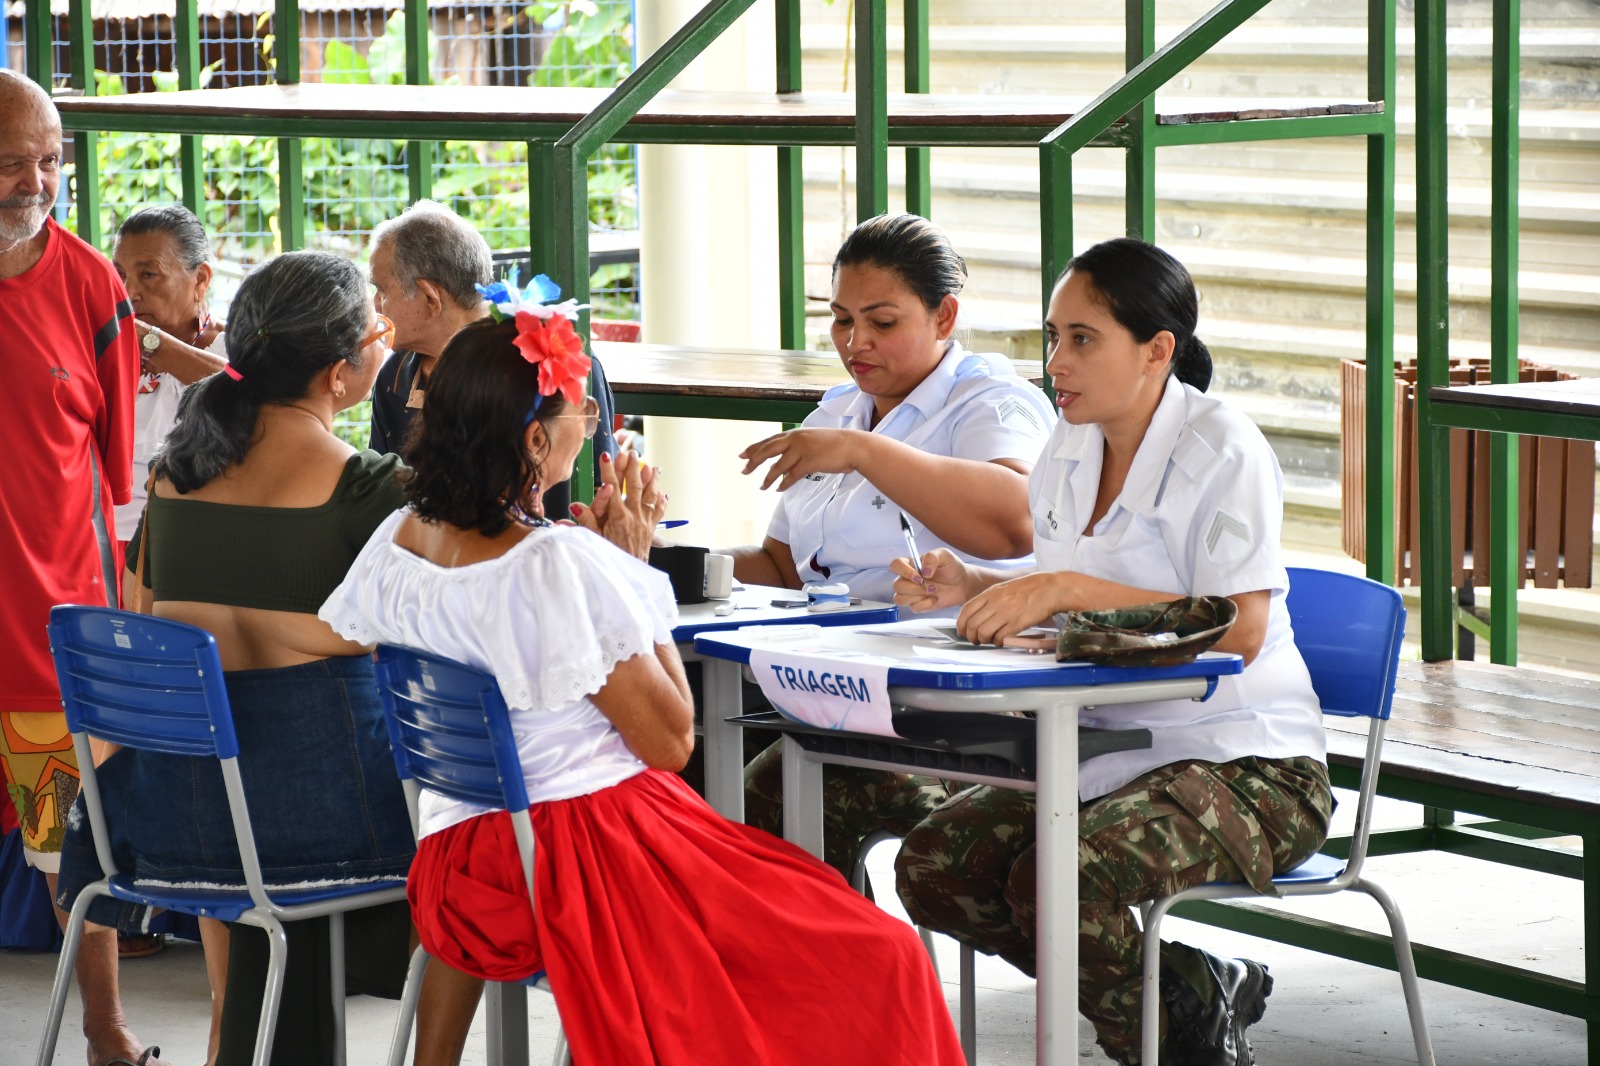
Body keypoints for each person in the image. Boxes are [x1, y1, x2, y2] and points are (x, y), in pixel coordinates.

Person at [319, 313, 967, 1066]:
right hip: (577, 852)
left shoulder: (400, 537)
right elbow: (670, 741)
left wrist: (605, 572)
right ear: (535, 441)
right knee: (878, 949)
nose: (595, 426)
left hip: (455, 852)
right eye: (581, 411)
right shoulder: (554, 564)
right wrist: (631, 568)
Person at [889, 238, 1332, 1066]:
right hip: (1110, 747)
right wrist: (978, 583)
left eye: (1082, 338)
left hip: (1249, 763)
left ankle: (1173, 1043)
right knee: (935, 867)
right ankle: (1191, 991)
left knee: (1060, 881)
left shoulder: (1222, 450)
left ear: (1158, 349)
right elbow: (1075, 588)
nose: (1056, 361)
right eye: (1052, 336)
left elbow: (1240, 628)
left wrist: (1058, 588)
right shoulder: (1069, 444)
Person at [55, 250, 422, 1066]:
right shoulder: (369, 490)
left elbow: (142, 623)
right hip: (324, 829)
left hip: (166, 822)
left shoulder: (172, 480)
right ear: (338, 372)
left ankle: (238, 1039)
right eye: (378, 329)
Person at [727, 213, 1055, 875]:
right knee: (693, 757)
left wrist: (863, 452)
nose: (856, 343)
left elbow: (1016, 522)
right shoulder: (839, 409)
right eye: (841, 320)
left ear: (944, 316)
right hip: (833, 680)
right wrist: (651, 557)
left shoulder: (989, 402)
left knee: (766, 795)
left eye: (881, 322)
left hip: (954, 701)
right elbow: (784, 568)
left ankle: (841, 938)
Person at [0, 69, 152, 1066]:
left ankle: (105, 1031)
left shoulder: (94, 285)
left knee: (66, 848)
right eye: (13, 162)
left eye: (51, 159)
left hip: (47, 644)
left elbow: (116, 478)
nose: (37, 181)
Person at [366, 200, 620, 518]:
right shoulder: (395, 376)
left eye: (382, 291)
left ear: (430, 297)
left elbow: (601, 495)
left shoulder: (554, 360)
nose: (375, 305)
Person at [111, 205, 229, 558]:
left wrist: (152, 343)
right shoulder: (108, 348)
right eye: (120, 275)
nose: (129, 292)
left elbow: (250, 395)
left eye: (148, 274)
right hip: (101, 544)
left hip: (186, 551)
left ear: (201, 279)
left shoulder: (232, 349)